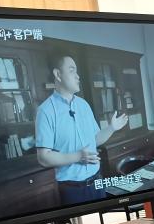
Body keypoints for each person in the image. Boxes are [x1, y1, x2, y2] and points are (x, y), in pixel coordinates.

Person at [35, 54, 128, 206]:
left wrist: (112, 128)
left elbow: (95, 139)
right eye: (72, 70)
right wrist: (78, 156)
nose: (78, 76)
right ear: (58, 74)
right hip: (72, 190)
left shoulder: (83, 105)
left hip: (97, 181)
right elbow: (43, 158)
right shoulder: (45, 111)